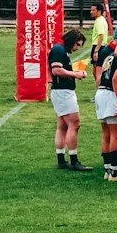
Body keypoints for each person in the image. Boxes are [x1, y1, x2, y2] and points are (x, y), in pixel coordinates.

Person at [93, 32, 117, 180]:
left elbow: (99, 76)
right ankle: (115, 173)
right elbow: (116, 79)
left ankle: (108, 169)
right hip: (110, 94)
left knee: (106, 134)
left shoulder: (107, 53)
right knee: (116, 134)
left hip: (101, 92)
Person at [48, 28, 83, 170]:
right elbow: (56, 70)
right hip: (63, 92)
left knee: (62, 126)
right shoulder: (59, 50)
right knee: (74, 124)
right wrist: (75, 74)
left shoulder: (60, 50)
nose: (77, 48)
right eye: (77, 44)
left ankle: (61, 159)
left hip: (61, 91)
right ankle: (74, 160)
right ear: (72, 41)